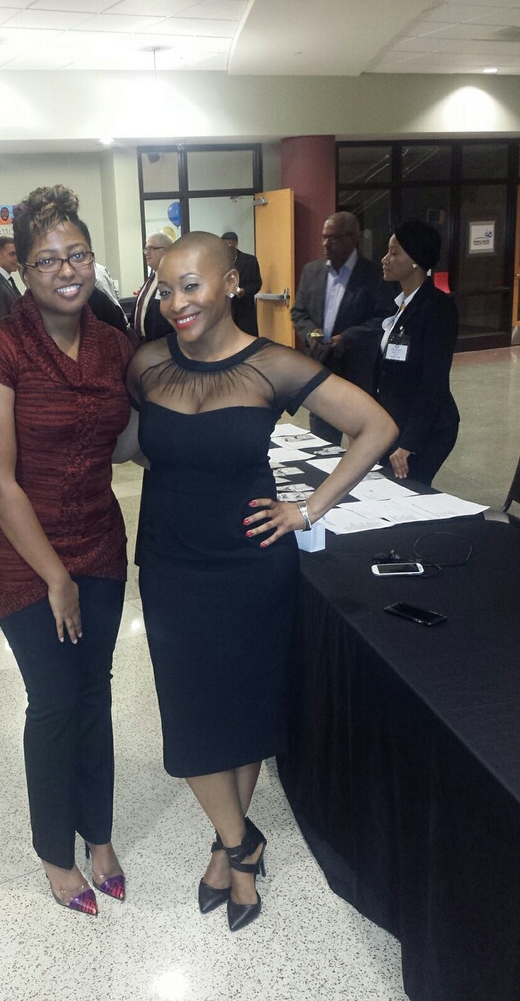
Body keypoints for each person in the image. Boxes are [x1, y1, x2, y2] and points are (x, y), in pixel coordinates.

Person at [125, 232, 396, 933]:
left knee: (242, 714)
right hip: (171, 564)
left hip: (251, 565)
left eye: (192, 285)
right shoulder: (148, 362)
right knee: (190, 720)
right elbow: (129, 444)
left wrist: (308, 508)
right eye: (166, 288)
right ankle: (244, 840)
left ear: (232, 284)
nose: (177, 302)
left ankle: (228, 851)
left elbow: (375, 427)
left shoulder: (273, 364)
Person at [0, 184, 132, 918]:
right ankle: (55, 853)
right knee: (56, 701)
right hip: (25, 554)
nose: (66, 270)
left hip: (99, 539)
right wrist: (56, 578)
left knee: (95, 694)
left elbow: (126, 440)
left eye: (78, 254)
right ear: (23, 271)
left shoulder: (114, 343)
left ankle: (100, 835)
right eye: (47, 260)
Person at [291, 211, 394, 445]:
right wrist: (311, 333)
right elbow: (299, 312)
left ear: (353, 238)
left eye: (334, 238)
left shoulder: (373, 275)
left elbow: (384, 317)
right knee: (321, 440)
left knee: (360, 438)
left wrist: (347, 338)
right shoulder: (312, 271)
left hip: (356, 368)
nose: (326, 244)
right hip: (321, 366)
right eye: (324, 237)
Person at [374, 218, 459, 485]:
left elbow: (434, 381)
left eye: (394, 252)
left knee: (406, 492)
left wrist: (409, 443)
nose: (385, 259)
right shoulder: (399, 305)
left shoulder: (437, 308)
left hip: (426, 429)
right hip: (395, 424)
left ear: (415, 260)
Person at [220, 231, 262, 336]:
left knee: (248, 341)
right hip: (225, 311)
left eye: (231, 245)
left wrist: (245, 291)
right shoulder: (217, 262)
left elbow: (257, 283)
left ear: (236, 244)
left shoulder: (250, 261)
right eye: (225, 245)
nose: (228, 248)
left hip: (245, 311)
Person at [133, 231, 173, 340]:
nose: (146, 253)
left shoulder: (173, 280)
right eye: (145, 249)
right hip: (141, 342)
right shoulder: (152, 278)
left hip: (161, 344)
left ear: (167, 251)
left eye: (151, 248)